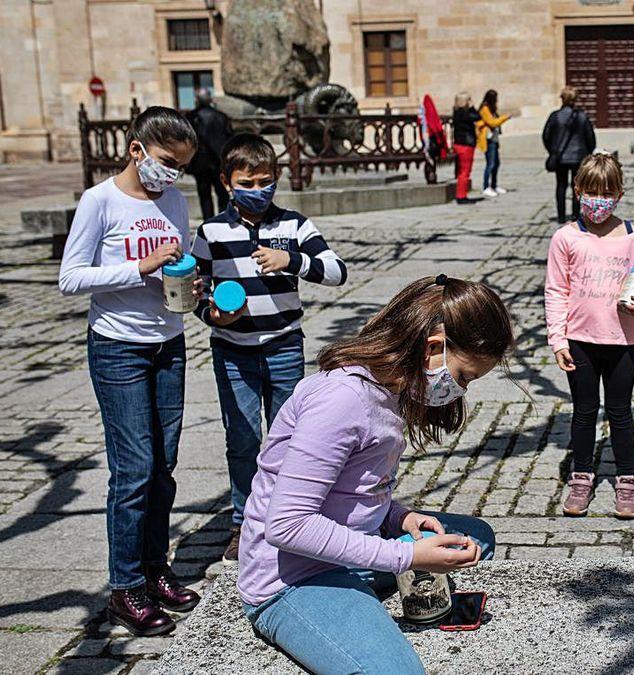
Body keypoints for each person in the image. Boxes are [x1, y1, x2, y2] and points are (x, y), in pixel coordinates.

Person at [238, 275, 512, 673]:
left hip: (348, 548)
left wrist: (399, 516)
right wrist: (404, 555)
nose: (461, 390)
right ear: (433, 348)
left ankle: (362, 587)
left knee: (476, 539)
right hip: (293, 578)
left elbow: (354, 490)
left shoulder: (392, 389)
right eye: (464, 376)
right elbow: (286, 525)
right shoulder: (341, 401)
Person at [58, 106, 203, 636]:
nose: (172, 174)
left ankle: (153, 568)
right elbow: (71, 278)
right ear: (135, 149)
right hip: (118, 348)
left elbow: (178, 269)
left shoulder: (175, 201)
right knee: (134, 469)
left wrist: (193, 290)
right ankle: (124, 588)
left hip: (169, 344)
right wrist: (139, 266)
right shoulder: (100, 202)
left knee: (163, 467)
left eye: (182, 167)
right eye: (167, 162)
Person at [191, 132, 348, 563]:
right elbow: (196, 293)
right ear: (227, 182)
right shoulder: (211, 232)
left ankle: (288, 515)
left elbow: (337, 271)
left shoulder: (293, 225)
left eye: (266, 181)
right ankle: (244, 522)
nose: (258, 190)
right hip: (232, 351)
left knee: (289, 437)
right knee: (242, 439)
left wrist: (293, 261)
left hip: (283, 347)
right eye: (248, 182)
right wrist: (213, 314)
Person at [544, 153, 634, 519]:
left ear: (619, 194)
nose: (599, 199)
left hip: (621, 343)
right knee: (583, 412)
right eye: (592, 191)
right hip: (580, 342)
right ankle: (581, 477)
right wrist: (558, 339)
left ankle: (626, 479)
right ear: (579, 191)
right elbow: (556, 290)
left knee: (620, 412)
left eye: (607, 192)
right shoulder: (565, 237)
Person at [542, 86, 597, 224]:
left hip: (560, 157)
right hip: (579, 156)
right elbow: (590, 137)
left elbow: (546, 136)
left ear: (562, 99)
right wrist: (588, 152)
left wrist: (553, 151)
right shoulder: (582, 116)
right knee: (577, 187)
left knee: (561, 185)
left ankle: (561, 216)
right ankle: (575, 215)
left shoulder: (555, 116)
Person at [186, 88, 233, 219]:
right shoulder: (221, 117)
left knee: (204, 195)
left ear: (197, 100)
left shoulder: (191, 117)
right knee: (222, 193)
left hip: (200, 163)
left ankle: (209, 221)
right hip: (218, 161)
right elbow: (229, 138)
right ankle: (224, 220)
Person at [476, 89, 512, 198]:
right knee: (490, 164)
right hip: (488, 139)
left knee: (496, 163)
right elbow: (492, 122)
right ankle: (486, 186)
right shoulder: (485, 109)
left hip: (494, 138)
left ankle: (494, 185)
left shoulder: (492, 109)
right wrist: (505, 117)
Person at [451, 92, 482, 205]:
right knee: (465, 171)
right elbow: (478, 117)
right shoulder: (465, 113)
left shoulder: (456, 112)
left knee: (461, 171)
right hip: (466, 144)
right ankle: (461, 196)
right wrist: (473, 107)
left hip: (458, 143)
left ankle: (460, 194)